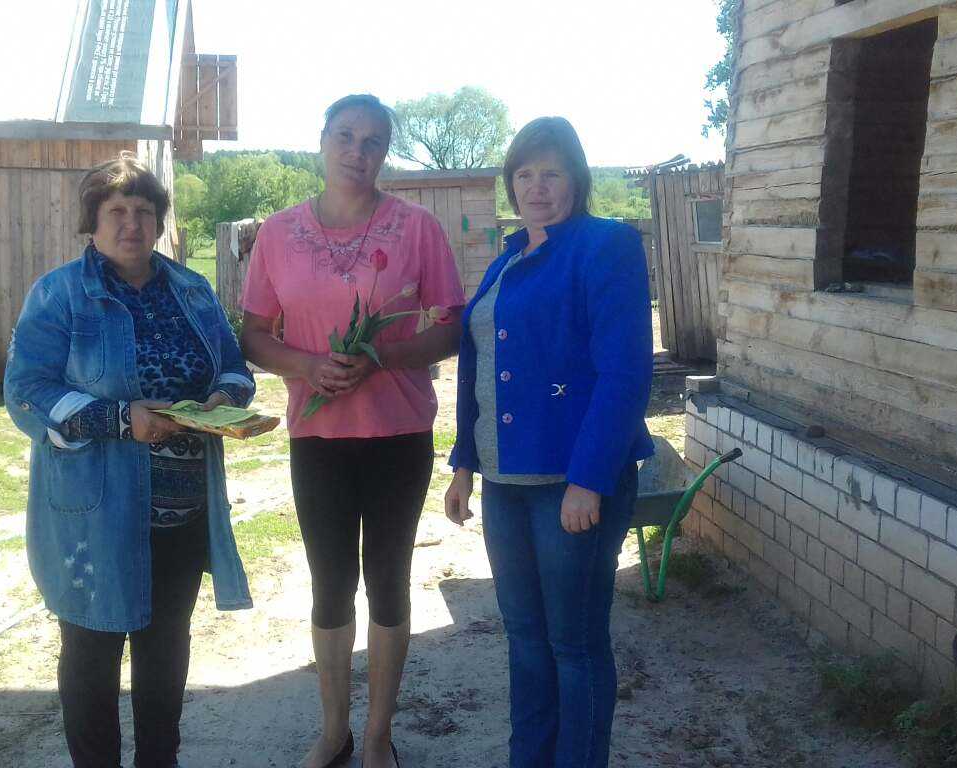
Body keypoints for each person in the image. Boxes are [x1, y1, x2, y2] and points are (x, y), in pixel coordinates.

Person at [4, 153, 255, 768]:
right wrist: (121, 419)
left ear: (160, 221)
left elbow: (234, 368)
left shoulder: (192, 291)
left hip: (181, 514)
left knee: (165, 653)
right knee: (91, 657)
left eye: (144, 211)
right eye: (116, 210)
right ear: (92, 220)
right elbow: (27, 391)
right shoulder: (59, 294)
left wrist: (222, 400)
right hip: (97, 517)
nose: (132, 224)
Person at [239, 94, 465, 768]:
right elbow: (254, 334)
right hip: (317, 439)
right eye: (345, 136)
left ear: (385, 152)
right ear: (322, 141)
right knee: (330, 583)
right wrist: (308, 365)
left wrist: (383, 357)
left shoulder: (417, 228)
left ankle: (376, 736)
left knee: (389, 580)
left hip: (398, 434)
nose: (356, 153)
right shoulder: (278, 233)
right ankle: (334, 730)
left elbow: (451, 327)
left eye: (372, 142)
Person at [443, 117, 654, 768]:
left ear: (577, 180)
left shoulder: (606, 245)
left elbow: (624, 373)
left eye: (552, 173)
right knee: (526, 642)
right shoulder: (508, 257)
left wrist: (589, 478)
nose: (537, 187)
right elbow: (479, 365)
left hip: (571, 486)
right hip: (504, 486)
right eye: (525, 174)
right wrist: (463, 464)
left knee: (574, 644)